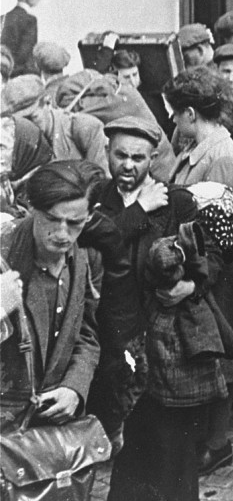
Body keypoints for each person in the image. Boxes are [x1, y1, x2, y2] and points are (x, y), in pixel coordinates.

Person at [163, 68, 233, 475]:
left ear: (189, 113)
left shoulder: (219, 157)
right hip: (199, 269)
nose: (172, 121)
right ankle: (205, 437)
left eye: (175, 113)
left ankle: (217, 444)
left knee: (215, 357)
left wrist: (201, 277)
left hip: (217, 275)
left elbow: (227, 231)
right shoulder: (196, 146)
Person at [88, 117, 198, 454]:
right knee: (117, 410)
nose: (127, 165)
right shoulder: (95, 196)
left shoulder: (176, 200)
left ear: (152, 159)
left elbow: (207, 258)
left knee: (161, 423)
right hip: (111, 325)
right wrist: (138, 209)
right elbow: (94, 243)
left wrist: (192, 286)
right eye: (120, 155)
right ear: (106, 152)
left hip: (159, 326)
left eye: (138, 158)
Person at [1, 75, 109, 169]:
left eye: (31, 118)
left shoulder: (84, 127)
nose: (27, 126)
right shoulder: (14, 141)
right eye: (21, 121)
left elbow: (102, 181)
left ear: (47, 102)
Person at [0, 0, 41, 76]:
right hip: (23, 73)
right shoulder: (30, 20)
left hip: (5, 71)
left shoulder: (3, 17)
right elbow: (26, 51)